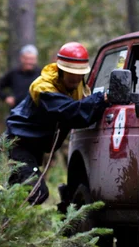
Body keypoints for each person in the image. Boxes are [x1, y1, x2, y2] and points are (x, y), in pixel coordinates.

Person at [6, 42, 108, 204]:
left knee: (23, 189)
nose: (75, 79)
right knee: (35, 192)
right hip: (19, 143)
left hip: (37, 147)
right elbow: (68, 111)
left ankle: (1, 218)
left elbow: (84, 111)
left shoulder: (79, 86)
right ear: (61, 71)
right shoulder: (43, 87)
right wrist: (100, 99)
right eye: (71, 74)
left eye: (79, 74)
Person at [0, 44, 41, 110]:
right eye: (26, 58)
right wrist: (6, 98)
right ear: (21, 58)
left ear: (36, 59)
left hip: (37, 113)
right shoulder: (14, 73)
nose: (28, 62)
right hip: (17, 113)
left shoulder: (42, 74)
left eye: (31, 59)